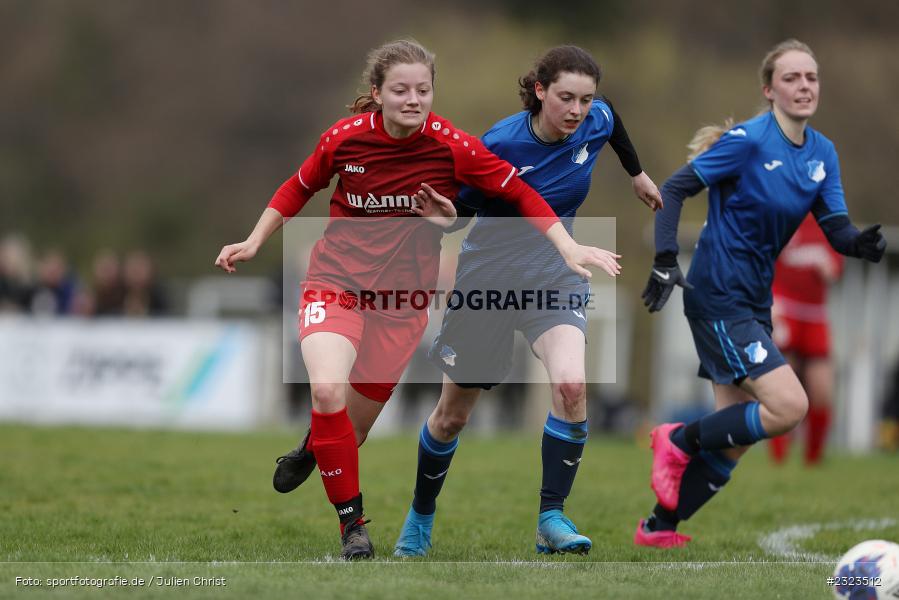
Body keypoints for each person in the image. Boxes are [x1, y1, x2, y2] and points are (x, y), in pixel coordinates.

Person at [216, 39, 621, 560]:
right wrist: (254, 240)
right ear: (377, 94)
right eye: (401, 90)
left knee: (349, 431)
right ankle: (354, 529)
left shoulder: (454, 146)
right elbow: (297, 187)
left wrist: (562, 243)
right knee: (326, 393)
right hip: (336, 283)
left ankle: (315, 446)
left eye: (423, 90)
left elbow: (517, 193)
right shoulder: (344, 140)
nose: (414, 99)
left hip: (402, 303)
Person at [385, 45, 663, 557]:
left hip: (555, 274)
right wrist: (440, 216)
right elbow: (462, 215)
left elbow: (613, 121)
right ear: (539, 91)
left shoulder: (596, 119)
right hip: (487, 278)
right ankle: (420, 517)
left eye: (585, 99)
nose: (577, 111)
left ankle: (551, 518)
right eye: (565, 98)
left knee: (573, 386)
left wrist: (636, 173)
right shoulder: (500, 143)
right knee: (452, 416)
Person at [636, 39, 886, 548]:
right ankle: (675, 437)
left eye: (811, 77)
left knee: (737, 439)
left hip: (753, 299)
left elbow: (835, 227)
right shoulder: (749, 141)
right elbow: (675, 188)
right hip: (717, 293)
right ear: (769, 90)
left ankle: (657, 528)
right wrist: (665, 261)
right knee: (790, 405)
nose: (804, 86)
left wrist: (859, 244)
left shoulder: (823, 153)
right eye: (792, 78)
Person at [768, 213, 843, 465]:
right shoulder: (783, 211)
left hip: (815, 313)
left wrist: (829, 269)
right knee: (784, 382)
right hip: (784, 306)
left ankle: (813, 459)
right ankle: (779, 457)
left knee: (821, 388)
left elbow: (836, 269)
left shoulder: (830, 219)